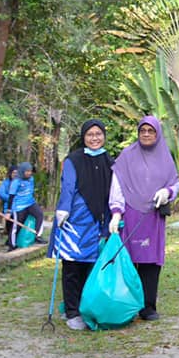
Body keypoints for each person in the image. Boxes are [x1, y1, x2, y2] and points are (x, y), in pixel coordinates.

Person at [108, 116, 179, 321]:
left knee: (150, 261)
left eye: (151, 131)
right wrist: (116, 211)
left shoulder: (165, 156)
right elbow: (117, 184)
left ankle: (148, 306)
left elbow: (175, 183)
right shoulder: (127, 155)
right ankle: (127, 306)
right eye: (143, 131)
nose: (146, 134)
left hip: (153, 216)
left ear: (157, 133)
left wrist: (167, 192)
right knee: (128, 261)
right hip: (130, 214)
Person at [49, 119, 114, 330]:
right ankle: (71, 311)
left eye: (98, 134)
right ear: (83, 137)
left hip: (96, 223)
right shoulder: (73, 160)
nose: (94, 138)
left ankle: (85, 308)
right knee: (72, 266)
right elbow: (68, 185)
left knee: (90, 266)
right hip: (73, 221)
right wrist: (64, 209)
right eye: (90, 135)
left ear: (104, 136)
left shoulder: (109, 161)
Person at [8, 162, 46, 248]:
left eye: (30, 171)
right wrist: (8, 211)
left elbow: (36, 171)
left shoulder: (31, 179)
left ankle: (37, 236)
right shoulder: (16, 182)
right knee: (16, 225)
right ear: (22, 171)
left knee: (40, 215)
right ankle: (12, 245)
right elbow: (11, 196)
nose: (29, 173)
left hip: (30, 203)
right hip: (19, 206)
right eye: (27, 171)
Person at [0, 166, 18, 246]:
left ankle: (12, 240)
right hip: (9, 208)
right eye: (14, 173)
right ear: (10, 173)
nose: (15, 175)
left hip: (20, 207)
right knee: (10, 225)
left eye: (17, 173)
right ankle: (10, 240)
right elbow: (1, 193)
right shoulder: (6, 183)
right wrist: (11, 198)